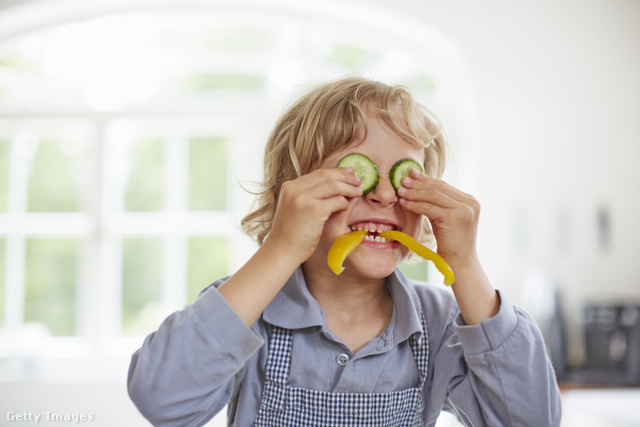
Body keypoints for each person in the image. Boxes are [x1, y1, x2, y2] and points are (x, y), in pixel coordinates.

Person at [128, 77, 562, 426]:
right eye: (358, 173)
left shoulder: (442, 325)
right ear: (293, 195)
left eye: (407, 176)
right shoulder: (248, 307)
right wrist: (280, 249)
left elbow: (532, 419)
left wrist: (466, 265)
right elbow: (162, 400)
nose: (386, 195)